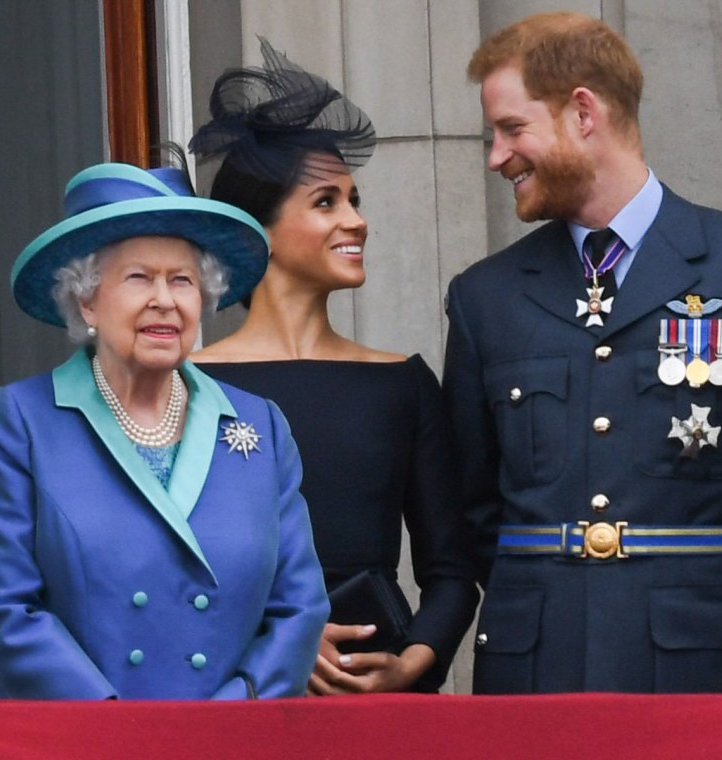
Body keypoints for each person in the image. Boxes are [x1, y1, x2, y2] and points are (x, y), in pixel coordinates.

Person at [443, 10, 722, 694]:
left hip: (698, 667)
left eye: (512, 129)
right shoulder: (485, 297)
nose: (496, 157)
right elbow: (471, 505)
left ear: (583, 113)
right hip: (535, 667)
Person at [189, 38, 478, 695]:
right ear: (256, 232)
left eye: (354, 199)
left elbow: (452, 572)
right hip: (234, 692)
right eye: (327, 203)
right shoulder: (185, 385)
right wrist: (274, 634)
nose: (358, 221)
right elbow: (158, 569)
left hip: (379, 696)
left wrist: (414, 661)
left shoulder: (403, 380)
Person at [0, 151, 330, 699]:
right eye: (138, 278)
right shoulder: (20, 424)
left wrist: (233, 710)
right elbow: (5, 606)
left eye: (182, 280)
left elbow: (300, 606)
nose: (164, 301)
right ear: (87, 302)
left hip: (229, 743)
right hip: (86, 744)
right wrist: (123, 729)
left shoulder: (260, 427)